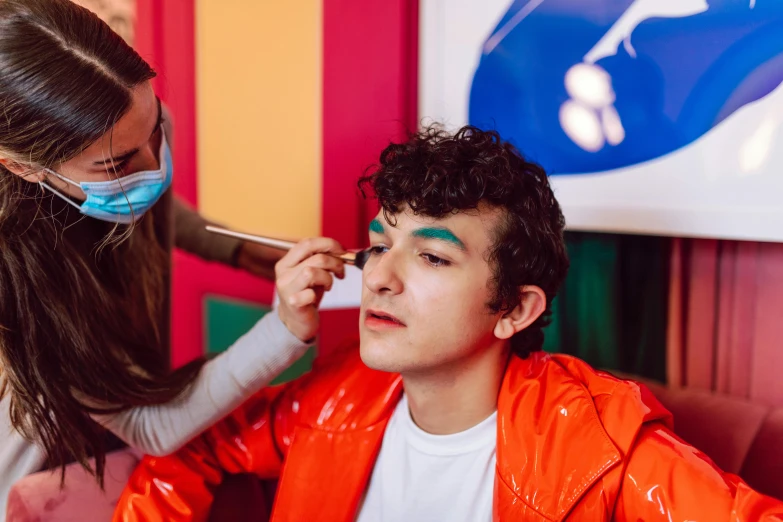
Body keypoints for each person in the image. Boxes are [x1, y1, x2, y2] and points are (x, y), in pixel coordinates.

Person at [113, 125, 783, 521]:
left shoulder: (595, 443)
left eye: (431, 255)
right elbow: (185, 450)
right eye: (380, 242)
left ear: (515, 310)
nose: (378, 275)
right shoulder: (331, 398)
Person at [0, 0, 339, 510]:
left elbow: (149, 203)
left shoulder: (128, 125)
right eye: (117, 164)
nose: (156, 164)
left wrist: (236, 249)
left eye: (157, 129)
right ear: (24, 169)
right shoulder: (16, 279)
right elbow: (149, 427)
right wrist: (284, 329)